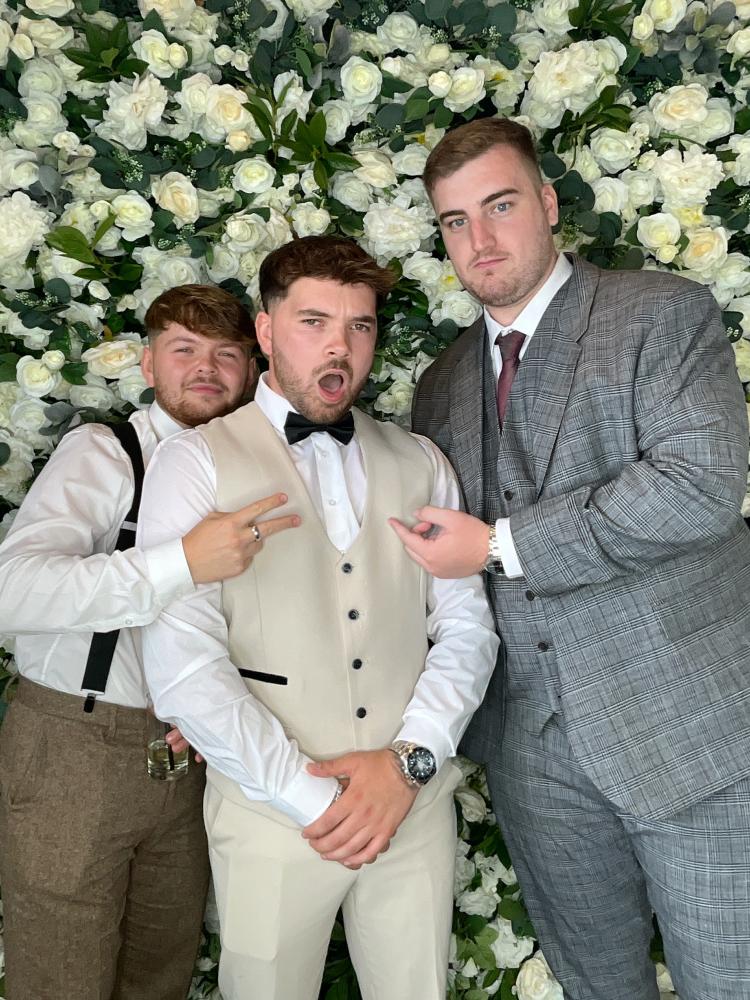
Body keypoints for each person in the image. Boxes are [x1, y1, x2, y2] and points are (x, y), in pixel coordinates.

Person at [390, 117, 750, 1000]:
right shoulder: (440, 385)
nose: (480, 239)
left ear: (549, 204)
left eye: (500, 205)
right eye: (455, 221)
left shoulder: (658, 314)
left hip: (688, 733)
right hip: (533, 763)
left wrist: (500, 545)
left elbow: (699, 486)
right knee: (596, 988)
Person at [137, 235, 499, 1000]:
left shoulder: (422, 461)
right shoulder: (194, 463)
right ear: (266, 332)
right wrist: (313, 799)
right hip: (272, 819)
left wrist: (409, 764)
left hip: (413, 813)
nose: (339, 347)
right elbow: (183, 667)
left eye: (359, 326)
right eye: (313, 323)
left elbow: (468, 630)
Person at [0, 283, 299, 1000]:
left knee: (160, 976)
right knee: (61, 980)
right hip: (76, 747)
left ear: (252, 372)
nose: (206, 368)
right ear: (147, 363)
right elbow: (13, 590)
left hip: (191, 759)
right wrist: (180, 563)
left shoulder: (256, 469)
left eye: (227, 354)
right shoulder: (104, 452)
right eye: (184, 349)